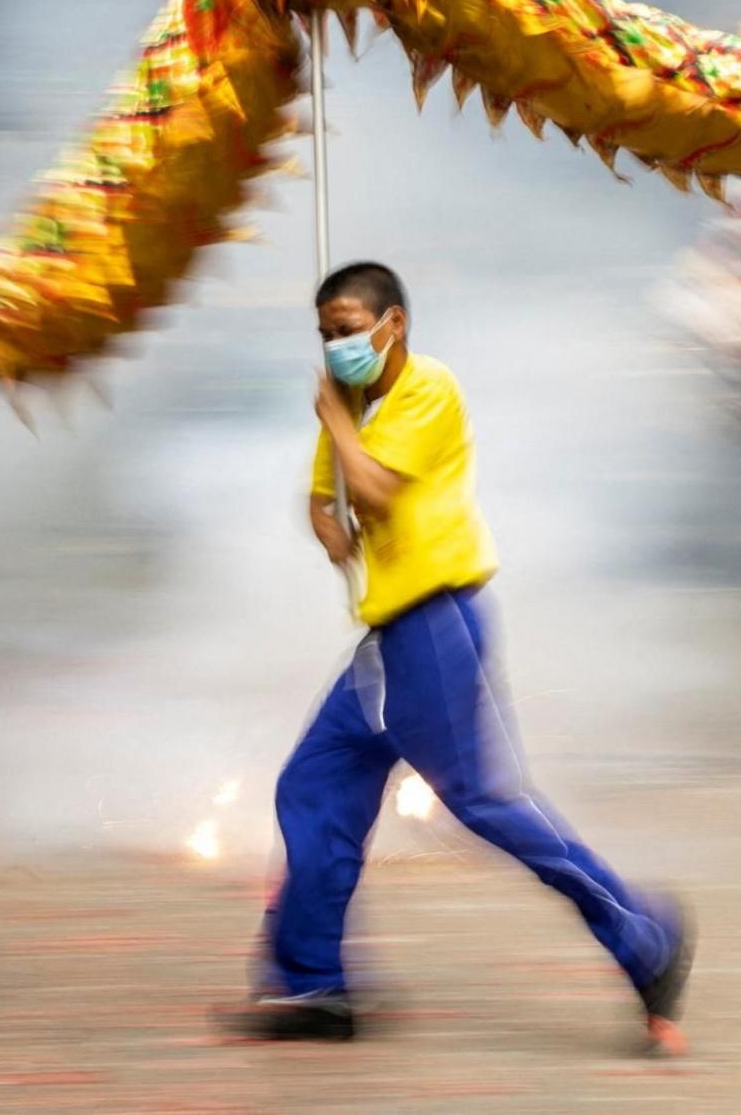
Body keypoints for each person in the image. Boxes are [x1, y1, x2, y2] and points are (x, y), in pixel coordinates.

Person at [219, 262, 694, 1050]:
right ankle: (312, 986)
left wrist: (336, 422)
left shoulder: (427, 390)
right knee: (315, 783)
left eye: (346, 328)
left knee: (486, 801)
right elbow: (327, 498)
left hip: (436, 625)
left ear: (391, 324)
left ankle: (645, 937)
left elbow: (373, 489)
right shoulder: (350, 405)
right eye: (325, 334)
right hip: (386, 638)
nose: (335, 345)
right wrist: (324, 523)